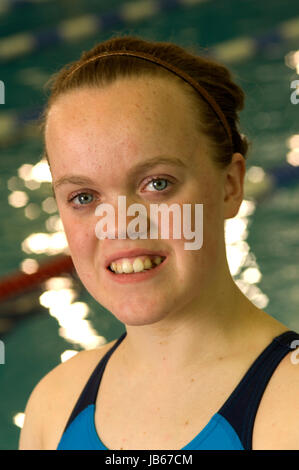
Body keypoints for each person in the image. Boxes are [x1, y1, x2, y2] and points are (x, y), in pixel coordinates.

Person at [19, 34, 299, 450]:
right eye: (83, 197)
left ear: (230, 185)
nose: (120, 225)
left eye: (157, 183)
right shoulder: (54, 405)